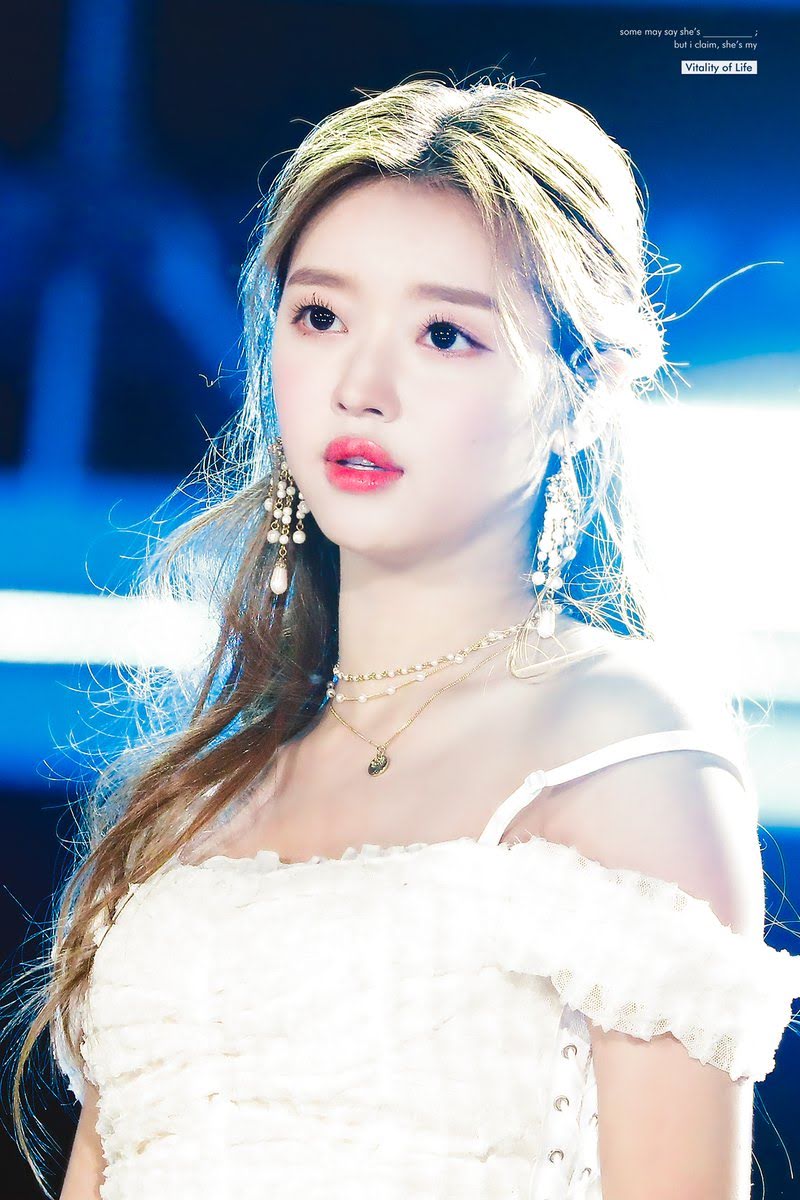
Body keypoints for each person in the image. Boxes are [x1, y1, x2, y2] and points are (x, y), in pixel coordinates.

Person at [9, 75, 800, 1200]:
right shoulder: (193, 796)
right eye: (320, 318)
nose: (360, 387)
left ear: (585, 390)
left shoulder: (620, 744)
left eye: (444, 334)